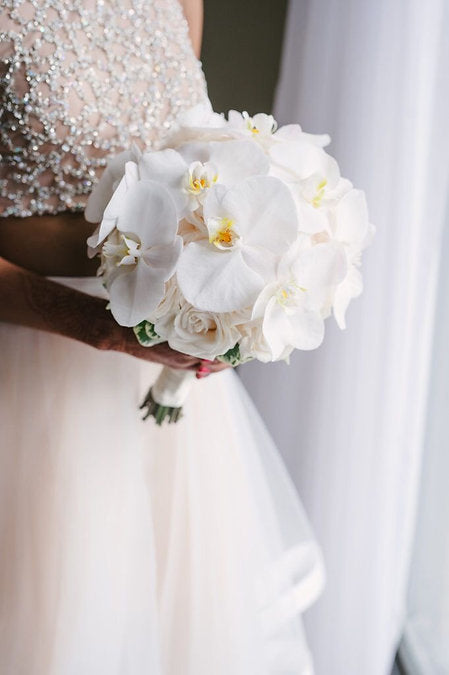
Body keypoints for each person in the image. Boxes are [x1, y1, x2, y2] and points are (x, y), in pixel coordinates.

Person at [0, 2, 324, 673]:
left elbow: (182, 150)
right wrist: (95, 325)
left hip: (167, 367)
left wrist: (241, 278)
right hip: (34, 369)